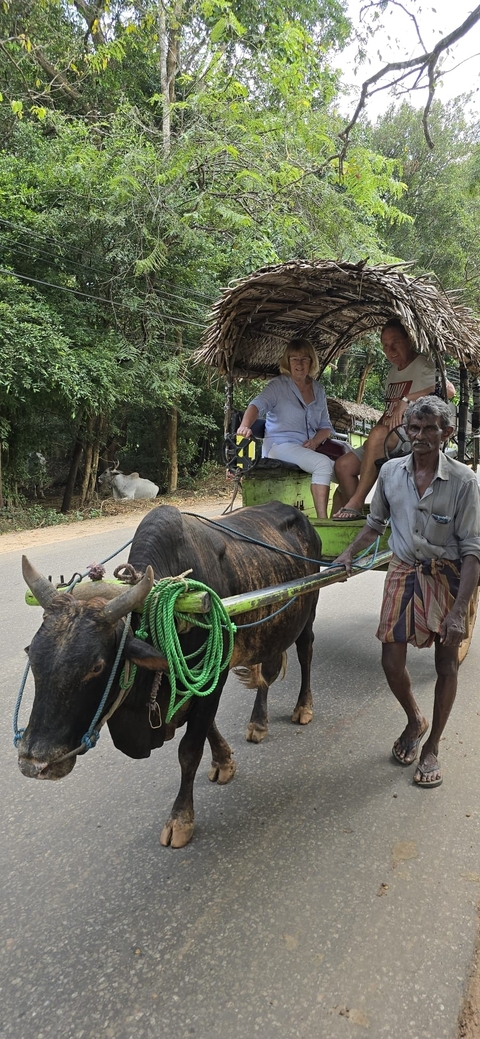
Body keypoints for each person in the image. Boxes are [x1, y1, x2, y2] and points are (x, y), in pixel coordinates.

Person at [334, 396, 480, 788]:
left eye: (430, 429)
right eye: (414, 428)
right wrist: (348, 554)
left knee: (446, 665)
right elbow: (375, 524)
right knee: (391, 661)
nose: (420, 436)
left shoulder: (464, 481)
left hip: (447, 575)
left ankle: (432, 747)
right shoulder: (390, 473)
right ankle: (415, 719)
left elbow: (473, 552)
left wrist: (459, 611)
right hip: (402, 570)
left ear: (446, 433)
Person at [332, 318, 454, 521]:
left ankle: (356, 502)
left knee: (378, 434)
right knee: (343, 466)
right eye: (386, 345)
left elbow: (449, 390)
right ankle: (360, 516)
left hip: (411, 435)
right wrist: (381, 423)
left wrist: (407, 400)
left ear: (409, 340)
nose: (391, 350)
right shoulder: (392, 372)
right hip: (387, 435)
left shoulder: (423, 364)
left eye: (396, 342)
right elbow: (391, 409)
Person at [236, 337, 337, 519]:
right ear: (288, 362)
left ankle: (343, 517)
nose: (300, 364)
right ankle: (323, 523)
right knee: (322, 464)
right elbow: (256, 406)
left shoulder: (318, 389)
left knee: (344, 470)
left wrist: (315, 441)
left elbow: (325, 427)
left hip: (306, 450)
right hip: (279, 447)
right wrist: (244, 426)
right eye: (294, 359)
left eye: (304, 358)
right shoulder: (278, 386)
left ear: (311, 361)